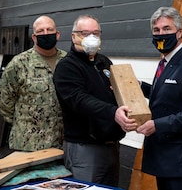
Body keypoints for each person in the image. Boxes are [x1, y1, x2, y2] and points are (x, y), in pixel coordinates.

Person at [53, 14, 137, 187]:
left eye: (95, 33)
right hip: (84, 149)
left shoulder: (104, 62)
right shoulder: (67, 67)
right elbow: (79, 100)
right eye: (84, 33)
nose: (91, 38)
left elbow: (119, 90)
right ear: (73, 36)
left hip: (112, 147)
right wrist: (113, 112)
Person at [136, 7, 182, 190]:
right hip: (164, 157)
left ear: (179, 33)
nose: (161, 34)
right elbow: (168, 95)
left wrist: (158, 125)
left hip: (181, 159)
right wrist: (138, 87)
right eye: (156, 30)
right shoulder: (165, 62)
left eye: (166, 29)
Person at [0, 15, 67, 152]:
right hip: (27, 144)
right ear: (34, 37)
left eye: (49, 29)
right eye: (40, 31)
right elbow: (4, 102)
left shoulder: (68, 61)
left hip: (61, 144)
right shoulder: (19, 64)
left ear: (57, 34)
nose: (46, 34)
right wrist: (25, 125)